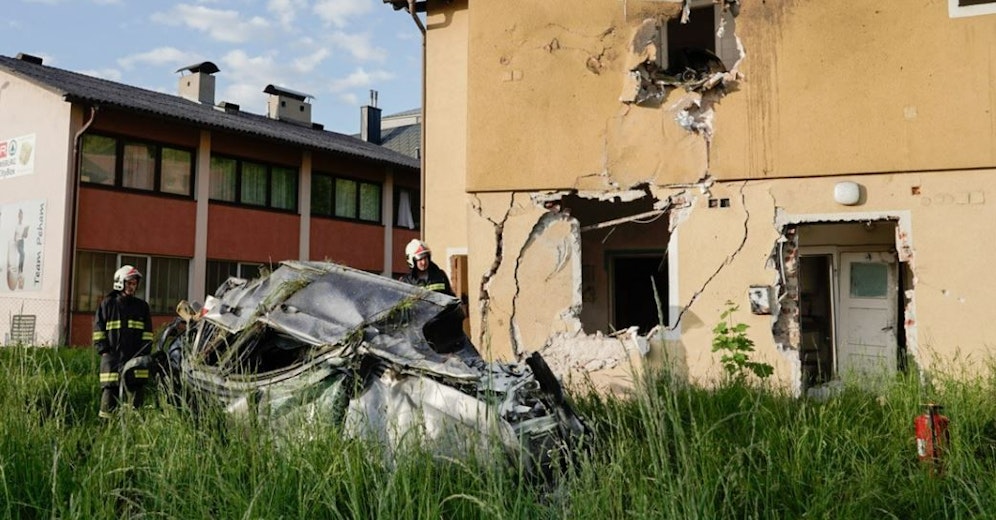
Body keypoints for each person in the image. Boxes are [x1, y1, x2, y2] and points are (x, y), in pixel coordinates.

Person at [92, 265, 154, 419]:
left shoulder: (142, 307)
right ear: (120, 282)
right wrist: (104, 351)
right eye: (129, 283)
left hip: (135, 359)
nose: (132, 287)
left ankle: (132, 432)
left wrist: (143, 354)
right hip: (112, 358)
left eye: (134, 284)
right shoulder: (107, 304)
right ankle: (105, 432)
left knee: (136, 400)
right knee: (109, 398)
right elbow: (98, 330)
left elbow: (147, 334)